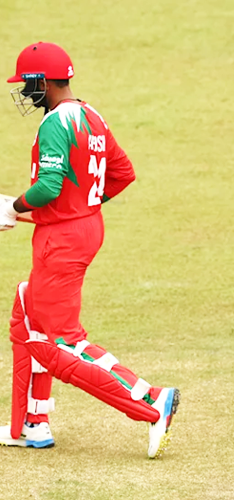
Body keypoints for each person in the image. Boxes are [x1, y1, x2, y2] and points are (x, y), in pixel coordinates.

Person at [0, 42, 178, 458]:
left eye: (29, 84)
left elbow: (48, 187)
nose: (25, 92)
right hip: (83, 228)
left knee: (60, 344)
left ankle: (152, 402)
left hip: (62, 240)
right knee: (27, 315)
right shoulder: (91, 115)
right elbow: (122, 173)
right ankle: (30, 423)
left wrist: (13, 207)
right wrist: (80, 207)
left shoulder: (55, 124)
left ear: (45, 82)